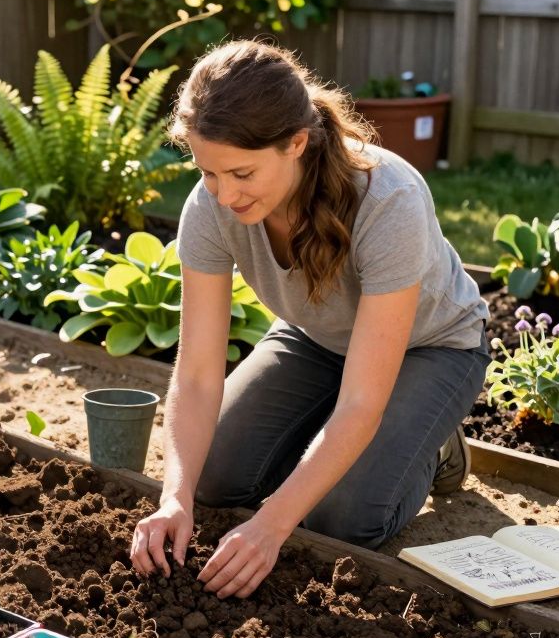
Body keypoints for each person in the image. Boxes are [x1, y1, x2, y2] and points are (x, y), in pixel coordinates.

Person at [129, 40, 490, 600]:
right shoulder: (211, 206)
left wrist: (272, 524)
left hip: (432, 348)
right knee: (214, 477)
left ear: (296, 142)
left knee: (341, 518)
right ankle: (344, 444)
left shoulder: (387, 199)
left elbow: (361, 403)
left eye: (242, 173)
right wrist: (174, 495)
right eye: (208, 173)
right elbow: (198, 372)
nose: (224, 196)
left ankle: (433, 441)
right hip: (315, 340)